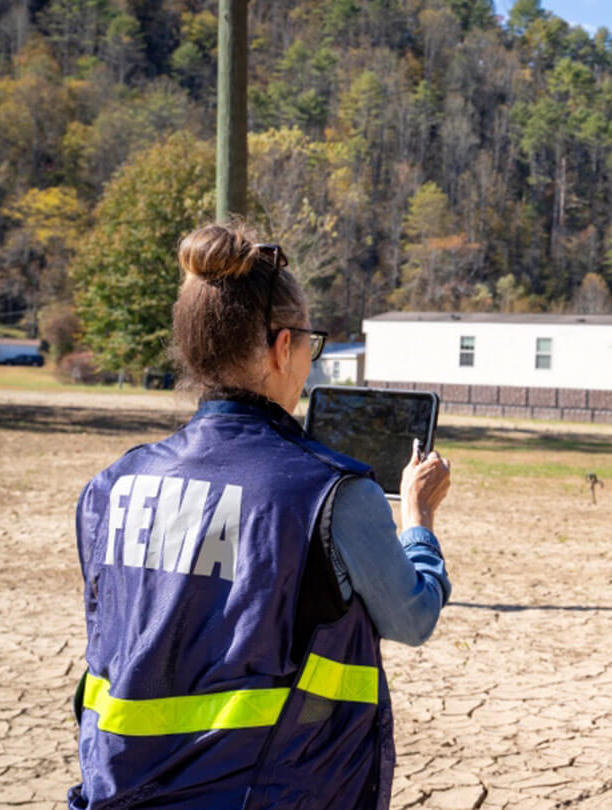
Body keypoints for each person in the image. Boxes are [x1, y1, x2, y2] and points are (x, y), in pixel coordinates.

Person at [68, 223, 452, 809]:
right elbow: (413, 617)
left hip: (118, 792)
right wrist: (419, 519)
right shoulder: (331, 491)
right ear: (281, 347)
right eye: (309, 344)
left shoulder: (110, 486)